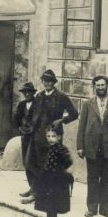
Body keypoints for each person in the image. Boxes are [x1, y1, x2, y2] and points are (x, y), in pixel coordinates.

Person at [24, 69, 78, 204]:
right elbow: (33, 114)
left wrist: (62, 120)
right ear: (42, 82)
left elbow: (74, 114)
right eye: (44, 81)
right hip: (37, 136)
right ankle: (34, 189)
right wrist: (29, 127)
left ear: (53, 82)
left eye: (49, 81)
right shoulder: (39, 96)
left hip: (52, 137)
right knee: (31, 163)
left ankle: (43, 194)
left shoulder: (61, 97)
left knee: (49, 165)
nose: (47, 83)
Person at [76, 75, 108, 217]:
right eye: (97, 85)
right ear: (94, 87)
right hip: (92, 148)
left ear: (107, 86)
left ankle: (104, 209)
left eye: (103, 85)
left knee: (106, 180)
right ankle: (92, 208)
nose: (100, 88)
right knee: (92, 179)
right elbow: (81, 127)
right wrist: (80, 146)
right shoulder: (88, 104)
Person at [34, 126, 74, 217]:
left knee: (52, 207)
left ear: (59, 137)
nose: (50, 139)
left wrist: (61, 173)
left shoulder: (61, 149)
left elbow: (69, 162)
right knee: (48, 207)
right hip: (47, 181)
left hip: (56, 182)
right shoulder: (49, 148)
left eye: (53, 136)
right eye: (48, 136)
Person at [14, 81, 37, 198]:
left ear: (33, 93)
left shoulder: (37, 104)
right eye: (25, 92)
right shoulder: (21, 104)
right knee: (25, 162)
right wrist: (20, 128)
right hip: (25, 136)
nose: (27, 94)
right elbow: (17, 118)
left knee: (31, 162)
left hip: (34, 137)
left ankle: (35, 190)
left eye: (29, 92)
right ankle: (31, 187)